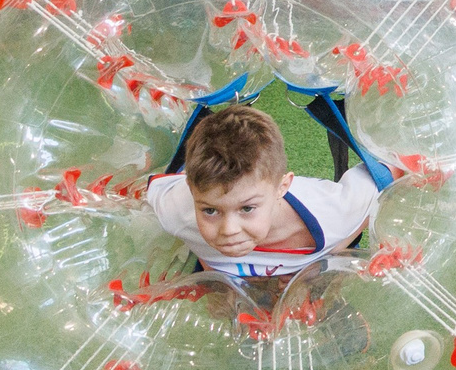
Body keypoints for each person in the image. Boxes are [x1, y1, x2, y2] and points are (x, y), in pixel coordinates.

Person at [145, 103, 385, 287]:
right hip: (231, 286)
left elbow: (388, 177)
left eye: (247, 209)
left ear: (283, 186)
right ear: (191, 188)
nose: (229, 230)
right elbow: (151, 189)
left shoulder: (334, 214)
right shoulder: (174, 208)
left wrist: (336, 248)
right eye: (210, 210)